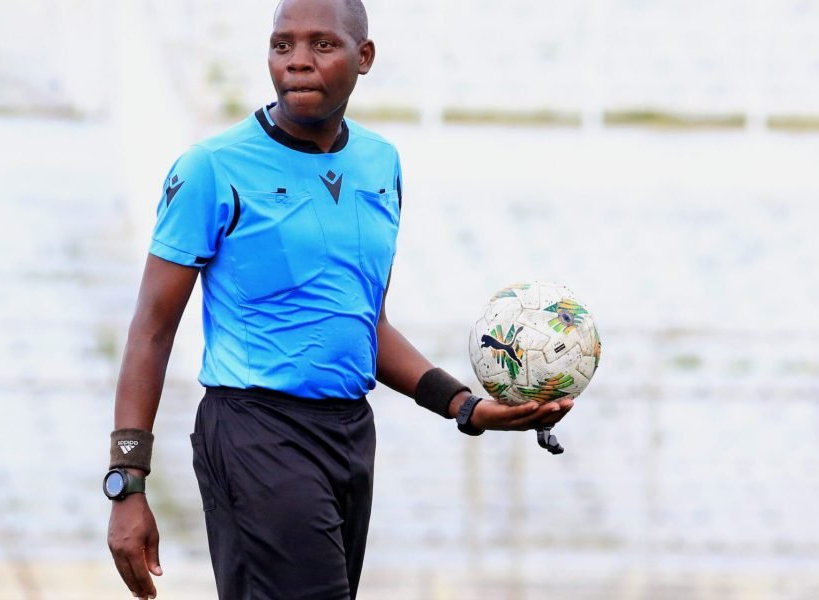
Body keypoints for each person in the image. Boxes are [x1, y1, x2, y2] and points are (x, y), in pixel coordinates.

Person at [104, 0, 573, 598]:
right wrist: (128, 480)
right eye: (282, 45)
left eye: (321, 45)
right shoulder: (211, 169)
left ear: (364, 57)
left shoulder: (381, 164)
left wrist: (464, 406)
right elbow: (150, 330)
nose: (297, 62)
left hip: (350, 432)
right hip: (255, 430)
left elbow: (364, 323)